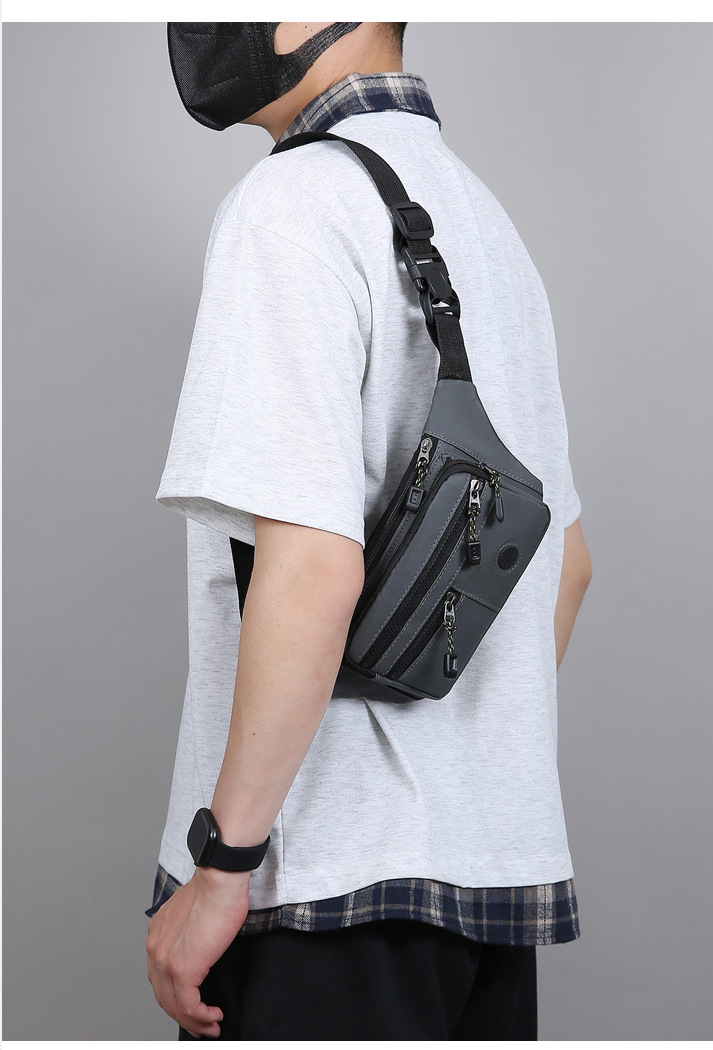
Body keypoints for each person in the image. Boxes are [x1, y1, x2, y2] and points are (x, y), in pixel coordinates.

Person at [145, 21, 593, 1041]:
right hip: (487, 889)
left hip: (321, 884)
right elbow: (565, 566)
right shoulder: (485, 222)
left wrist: (224, 865)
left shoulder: (293, 202)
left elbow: (310, 569)